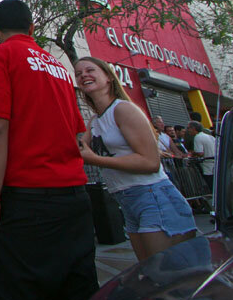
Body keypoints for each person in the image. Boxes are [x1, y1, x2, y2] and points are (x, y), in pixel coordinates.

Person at [0, 0, 98, 300]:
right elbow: (78, 134)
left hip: (26, 201)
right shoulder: (58, 66)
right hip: (73, 199)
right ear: (32, 29)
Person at [75, 57, 197, 262]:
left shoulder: (123, 109)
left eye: (90, 70)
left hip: (153, 196)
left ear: (108, 77)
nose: (83, 75)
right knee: (150, 274)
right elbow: (76, 150)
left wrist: (97, 160)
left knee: (167, 274)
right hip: (126, 200)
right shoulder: (95, 121)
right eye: (78, 74)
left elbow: (150, 162)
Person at [186, 121, 216, 188]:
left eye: (188, 128)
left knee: (212, 186)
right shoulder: (210, 136)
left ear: (193, 128)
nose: (187, 130)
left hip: (208, 167)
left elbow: (200, 153)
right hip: (215, 165)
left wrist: (192, 153)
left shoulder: (197, 137)